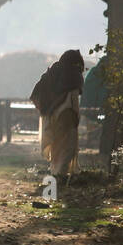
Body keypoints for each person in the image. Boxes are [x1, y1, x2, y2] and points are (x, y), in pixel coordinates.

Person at [30, 49, 84, 178]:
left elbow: (37, 93)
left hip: (51, 114)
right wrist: (77, 117)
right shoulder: (73, 74)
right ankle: (61, 174)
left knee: (56, 145)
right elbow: (73, 99)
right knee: (67, 146)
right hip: (66, 114)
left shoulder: (53, 71)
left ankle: (55, 172)